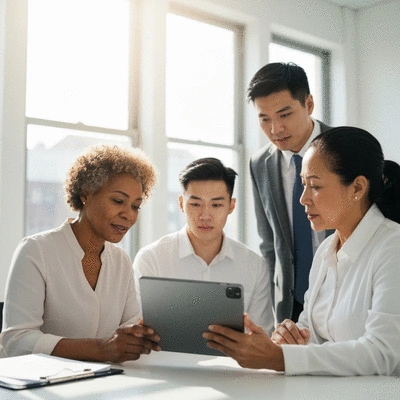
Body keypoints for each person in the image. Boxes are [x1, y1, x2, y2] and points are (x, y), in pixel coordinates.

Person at [203, 126, 400, 376]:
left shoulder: (393, 248)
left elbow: (381, 354)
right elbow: (310, 333)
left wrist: (280, 357)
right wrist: (291, 338)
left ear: (358, 188)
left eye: (315, 186)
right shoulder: (327, 250)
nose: (303, 198)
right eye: (303, 184)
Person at [0, 145, 161, 362]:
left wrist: (143, 336)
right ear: (86, 193)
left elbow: (129, 328)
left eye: (136, 206)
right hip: (43, 389)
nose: (128, 215)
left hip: (104, 384)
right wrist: (101, 349)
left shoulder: (121, 260)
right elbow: (17, 341)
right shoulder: (36, 250)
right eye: (118, 201)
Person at [133, 157, 275, 335]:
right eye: (195, 204)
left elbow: (261, 338)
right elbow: (136, 330)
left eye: (216, 205)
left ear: (231, 206)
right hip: (163, 361)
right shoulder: (152, 259)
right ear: (180, 204)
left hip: (231, 363)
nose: (205, 215)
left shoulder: (254, 266)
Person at [248, 62, 334, 322]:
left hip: (344, 296)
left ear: (309, 104)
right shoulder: (259, 163)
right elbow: (270, 245)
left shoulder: (346, 149)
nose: (275, 129)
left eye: (284, 114)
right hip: (292, 307)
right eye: (264, 119)